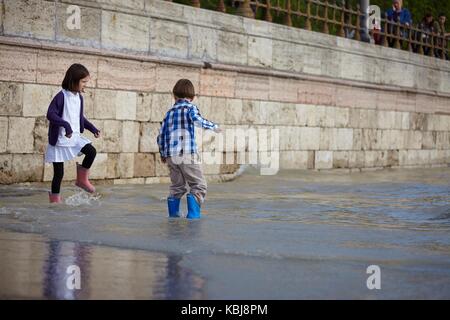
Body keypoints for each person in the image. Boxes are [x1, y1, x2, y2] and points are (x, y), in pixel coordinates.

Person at [157, 79, 221, 219]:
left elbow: (161, 135)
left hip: (171, 156)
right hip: (186, 154)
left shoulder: (169, 113)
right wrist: (213, 126)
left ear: (174, 96)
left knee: (177, 186)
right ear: (192, 97)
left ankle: (174, 216)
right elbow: (198, 120)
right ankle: (193, 216)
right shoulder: (190, 108)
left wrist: (163, 153)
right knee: (198, 184)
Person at [45, 64, 100, 203]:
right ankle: (55, 202)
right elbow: (50, 114)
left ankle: (82, 179)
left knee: (91, 151)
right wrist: (65, 125)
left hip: (74, 138)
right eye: (83, 82)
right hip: (60, 140)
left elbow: (79, 118)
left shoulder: (79, 98)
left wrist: (92, 128)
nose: (85, 85)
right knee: (59, 174)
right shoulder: (61, 96)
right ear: (73, 80)